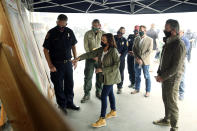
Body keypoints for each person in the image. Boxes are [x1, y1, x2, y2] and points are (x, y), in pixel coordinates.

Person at [72, 33, 121, 128]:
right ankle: (113, 111)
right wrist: (78, 58)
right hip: (105, 76)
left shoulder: (113, 51)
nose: (101, 41)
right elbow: (90, 54)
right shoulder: (101, 49)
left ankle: (102, 119)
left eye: (104, 40)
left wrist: (102, 70)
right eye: (101, 39)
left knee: (103, 96)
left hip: (111, 76)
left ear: (109, 41)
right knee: (110, 93)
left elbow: (117, 65)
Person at [43, 14, 80, 114]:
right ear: (57, 22)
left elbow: (73, 46)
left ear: (66, 23)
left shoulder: (69, 31)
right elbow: (45, 50)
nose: (61, 27)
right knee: (58, 85)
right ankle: (62, 105)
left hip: (68, 63)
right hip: (56, 64)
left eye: (63, 26)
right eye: (59, 25)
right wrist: (50, 65)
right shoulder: (51, 33)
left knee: (69, 84)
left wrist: (75, 59)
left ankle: (70, 103)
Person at [153, 19, 186, 131]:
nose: (164, 30)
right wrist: (159, 73)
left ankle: (174, 127)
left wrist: (163, 76)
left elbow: (176, 66)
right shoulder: (169, 41)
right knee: (166, 99)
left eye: (166, 28)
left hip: (172, 78)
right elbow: (162, 59)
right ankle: (167, 120)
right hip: (165, 77)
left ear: (173, 31)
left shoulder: (178, 44)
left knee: (172, 102)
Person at [81, 19, 105, 103]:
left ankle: (98, 92)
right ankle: (86, 94)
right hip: (90, 59)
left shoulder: (104, 34)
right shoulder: (87, 34)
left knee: (100, 76)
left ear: (99, 25)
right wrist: (92, 56)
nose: (94, 27)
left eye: (96, 25)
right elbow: (86, 46)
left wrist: (100, 57)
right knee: (88, 76)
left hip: (100, 59)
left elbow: (106, 46)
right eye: (93, 25)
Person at [131, 25, 153, 97]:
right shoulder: (136, 38)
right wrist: (137, 58)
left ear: (145, 31)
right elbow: (133, 48)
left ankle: (148, 91)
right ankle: (137, 89)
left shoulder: (150, 40)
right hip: (137, 61)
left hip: (145, 62)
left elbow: (149, 51)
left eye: (142, 31)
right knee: (137, 75)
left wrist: (141, 59)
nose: (140, 32)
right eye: (139, 30)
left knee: (146, 76)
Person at [114, 27, 128, 94]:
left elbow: (125, 50)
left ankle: (119, 87)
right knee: (110, 72)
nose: (121, 34)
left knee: (120, 73)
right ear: (118, 31)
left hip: (121, 59)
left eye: (123, 33)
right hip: (112, 58)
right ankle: (108, 87)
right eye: (120, 32)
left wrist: (121, 57)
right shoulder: (113, 38)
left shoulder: (124, 40)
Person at [178, 29, 190, 100]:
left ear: (182, 32)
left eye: (179, 31)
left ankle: (181, 93)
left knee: (181, 77)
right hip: (174, 61)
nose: (178, 32)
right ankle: (175, 92)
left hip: (182, 60)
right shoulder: (175, 39)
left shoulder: (185, 40)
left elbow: (185, 50)